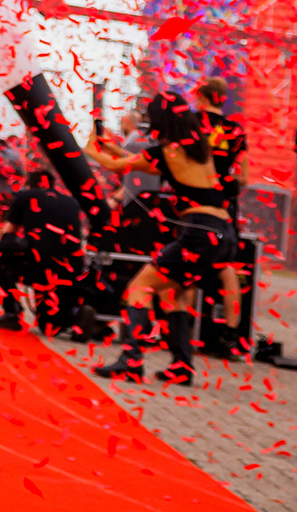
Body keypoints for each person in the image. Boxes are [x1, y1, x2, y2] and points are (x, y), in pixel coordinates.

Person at [83, 93, 240, 384]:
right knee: (173, 293)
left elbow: (118, 166)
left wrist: (91, 148)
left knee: (138, 288)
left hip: (199, 232)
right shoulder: (195, 148)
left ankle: (131, 359)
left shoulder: (167, 152)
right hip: (222, 232)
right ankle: (182, 365)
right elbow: (137, 161)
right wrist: (111, 147)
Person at [0, 170, 86, 334]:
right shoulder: (71, 202)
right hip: (70, 272)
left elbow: (9, 231)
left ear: (30, 183)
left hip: (39, 266)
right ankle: (72, 315)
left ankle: (12, 313)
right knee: (49, 327)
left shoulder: (26, 195)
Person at [191, 76, 247, 225]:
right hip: (223, 206)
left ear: (202, 97)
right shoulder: (236, 129)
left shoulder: (189, 122)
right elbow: (244, 178)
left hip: (192, 201)